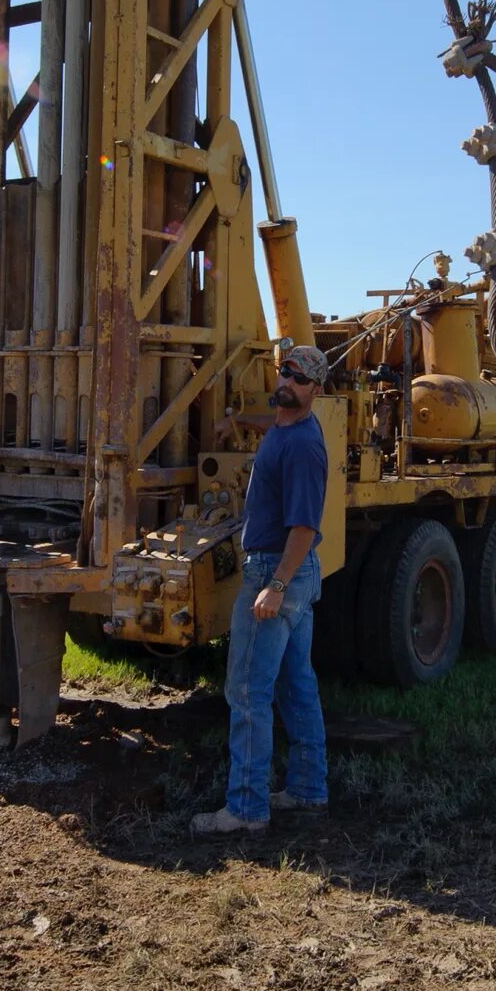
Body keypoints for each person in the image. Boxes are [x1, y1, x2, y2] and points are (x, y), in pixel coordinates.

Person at [192, 343, 332, 836]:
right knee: (297, 686)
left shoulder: (302, 448)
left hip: (279, 571)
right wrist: (237, 424)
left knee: (248, 690)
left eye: (298, 378)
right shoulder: (285, 426)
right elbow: (270, 422)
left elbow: (304, 529)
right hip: (293, 575)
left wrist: (274, 586)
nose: (287, 382)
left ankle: (246, 809)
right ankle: (308, 790)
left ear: (316, 388)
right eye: (284, 372)